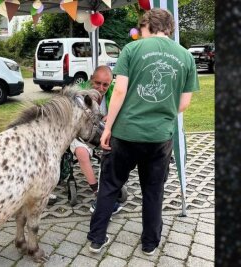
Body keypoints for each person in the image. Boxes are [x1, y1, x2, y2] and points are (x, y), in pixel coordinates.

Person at [87, 8, 200, 255]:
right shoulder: (186, 56)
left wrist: (108, 128)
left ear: (146, 25)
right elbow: (184, 103)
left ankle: (97, 239)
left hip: (125, 133)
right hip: (160, 137)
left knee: (110, 185)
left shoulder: (131, 49)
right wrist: (163, 112)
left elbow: (119, 91)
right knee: (153, 190)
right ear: (168, 28)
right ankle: (150, 244)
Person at [71, 65, 122, 214]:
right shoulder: (79, 93)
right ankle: (98, 193)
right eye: (97, 83)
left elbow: (122, 110)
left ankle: (108, 189)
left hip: (103, 135)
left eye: (105, 84)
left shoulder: (114, 93)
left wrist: (112, 116)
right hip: (80, 135)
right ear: (91, 79)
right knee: (81, 152)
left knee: (114, 150)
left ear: (110, 83)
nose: (101, 87)